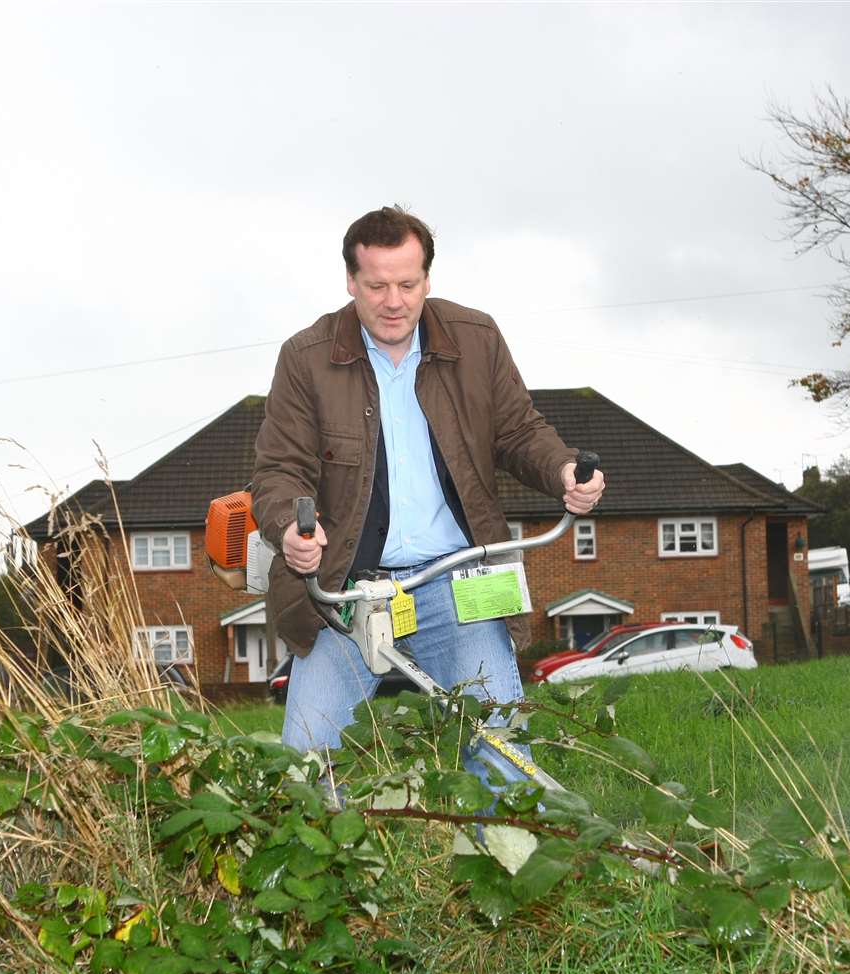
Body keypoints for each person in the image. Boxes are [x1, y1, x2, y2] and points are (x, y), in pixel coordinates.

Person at [251, 206, 605, 779]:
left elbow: (519, 432)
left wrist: (563, 469)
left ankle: (515, 861)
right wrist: (291, 531)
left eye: (408, 284)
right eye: (377, 286)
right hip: (349, 590)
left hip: (457, 578)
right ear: (350, 281)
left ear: (428, 280)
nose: (394, 301)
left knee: (500, 750)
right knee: (306, 762)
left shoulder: (476, 338)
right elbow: (278, 470)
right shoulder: (305, 358)